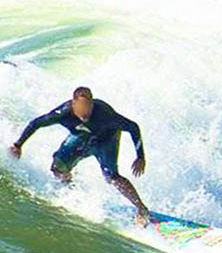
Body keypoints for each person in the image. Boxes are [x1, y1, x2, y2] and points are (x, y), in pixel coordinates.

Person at [10, 87, 150, 225]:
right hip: (82, 138)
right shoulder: (63, 113)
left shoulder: (104, 114)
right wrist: (18, 145)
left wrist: (140, 157)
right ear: (73, 103)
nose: (86, 112)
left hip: (107, 141)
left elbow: (133, 127)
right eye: (82, 107)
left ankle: (142, 209)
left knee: (112, 177)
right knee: (58, 167)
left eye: (88, 107)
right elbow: (36, 123)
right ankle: (69, 190)